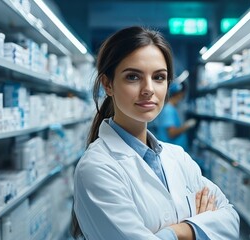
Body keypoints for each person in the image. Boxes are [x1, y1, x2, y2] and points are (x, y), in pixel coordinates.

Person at [71, 26, 239, 239]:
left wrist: (173, 232)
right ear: (108, 84)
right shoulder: (97, 168)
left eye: (159, 77)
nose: (148, 89)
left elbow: (230, 220)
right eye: (133, 77)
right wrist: (193, 229)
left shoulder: (178, 157)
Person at [155, 81, 197, 151]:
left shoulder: (170, 108)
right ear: (179, 94)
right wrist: (186, 126)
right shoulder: (169, 110)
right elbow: (172, 133)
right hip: (171, 152)